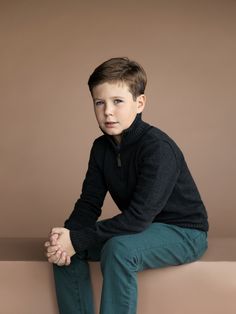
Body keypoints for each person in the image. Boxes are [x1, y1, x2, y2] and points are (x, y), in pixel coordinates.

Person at [44, 57, 209, 314]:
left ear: (140, 102)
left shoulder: (157, 148)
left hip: (184, 232)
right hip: (143, 228)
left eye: (117, 101)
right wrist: (66, 239)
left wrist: (78, 238)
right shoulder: (101, 148)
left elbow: (138, 218)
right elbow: (89, 203)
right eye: (99, 102)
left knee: (118, 249)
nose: (107, 111)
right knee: (67, 251)